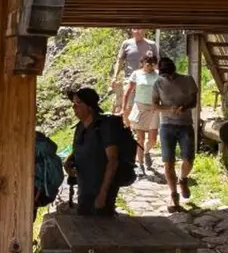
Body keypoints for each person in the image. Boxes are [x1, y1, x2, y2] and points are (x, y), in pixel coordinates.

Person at [66, 87, 126, 216]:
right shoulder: (80, 127)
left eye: (78, 103)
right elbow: (80, 150)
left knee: (102, 226)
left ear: (90, 106)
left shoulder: (105, 127)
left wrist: (103, 194)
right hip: (84, 188)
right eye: (73, 104)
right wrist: (69, 162)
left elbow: (113, 160)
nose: (74, 108)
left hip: (101, 189)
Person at [153, 56, 201, 211]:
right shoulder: (158, 83)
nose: (167, 78)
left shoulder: (188, 80)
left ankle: (183, 179)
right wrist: (169, 109)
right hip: (166, 125)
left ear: (174, 70)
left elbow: (194, 101)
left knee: (188, 158)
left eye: (169, 75)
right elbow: (155, 105)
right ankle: (174, 195)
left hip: (185, 124)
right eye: (164, 75)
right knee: (168, 162)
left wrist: (184, 107)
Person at [124, 52, 163, 177]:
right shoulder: (137, 74)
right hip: (139, 107)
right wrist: (125, 108)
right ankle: (140, 164)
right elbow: (128, 90)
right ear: (142, 63)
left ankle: (146, 152)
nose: (150, 67)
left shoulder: (158, 75)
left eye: (152, 64)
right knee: (140, 138)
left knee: (152, 139)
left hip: (154, 108)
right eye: (148, 64)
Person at [111, 29, 159, 108]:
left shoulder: (152, 45)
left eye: (140, 29)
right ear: (132, 31)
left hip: (147, 80)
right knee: (128, 107)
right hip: (129, 79)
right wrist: (115, 76)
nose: (137, 31)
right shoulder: (126, 44)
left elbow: (156, 63)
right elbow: (119, 61)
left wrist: (158, 78)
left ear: (145, 30)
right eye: (135, 29)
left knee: (146, 106)